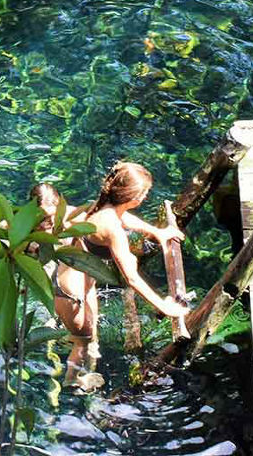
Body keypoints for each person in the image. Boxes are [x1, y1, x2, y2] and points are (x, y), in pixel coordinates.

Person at [52, 162, 190, 386]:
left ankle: (80, 346)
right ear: (134, 197)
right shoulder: (113, 230)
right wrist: (164, 306)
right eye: (145, 193)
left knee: (92, 329)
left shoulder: (101, 206)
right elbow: (131, 278)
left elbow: (124, 217)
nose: (145, 197)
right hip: (71, 297)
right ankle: (73, 382)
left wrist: (157, 232)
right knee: (82, 343)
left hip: (79, 283)